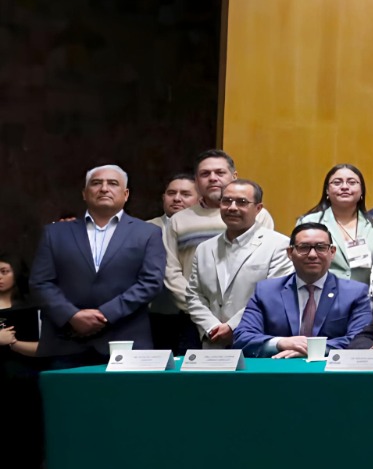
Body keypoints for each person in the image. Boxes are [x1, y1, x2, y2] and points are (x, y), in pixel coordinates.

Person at [31, 165, 166, 364]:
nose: (104, 188)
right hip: (65, 341)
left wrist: (105, 314)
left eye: (113, 183)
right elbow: (40, 282)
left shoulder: (147, 233)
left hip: (125, 339)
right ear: (85, 193)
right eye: (96, 183)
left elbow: (151, 282)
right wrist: (72, 315)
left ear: (126, 194)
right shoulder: (55, 233)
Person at [162, 150, 275, 330]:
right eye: (205, 174)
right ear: (197, 181)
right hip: (194, 318)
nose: (213, 178)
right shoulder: (178, 220)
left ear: (234, 176)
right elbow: (171, 272)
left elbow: (266, 265)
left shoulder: (258, 215)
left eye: (220, 173)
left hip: (249, 317)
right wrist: (204, 315)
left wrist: (235, 320)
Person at [233, 222, 373, 358]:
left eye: (321, 247)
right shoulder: (266, 291)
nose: (312, 254)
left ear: (332, 252)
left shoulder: (355, 293)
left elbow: (361, 340)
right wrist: (281, 342)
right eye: (304, 247)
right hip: (280, 371)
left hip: (331, 375)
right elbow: (242, 337)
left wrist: (312, 349)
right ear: (289, 252)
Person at [180, 179, 292, 347]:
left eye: (242, 202)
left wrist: (232, 327)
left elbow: (273, 296)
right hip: (213, 342)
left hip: (255, 341)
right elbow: (194, 295)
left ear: (258, 209)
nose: (232, 207)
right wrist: (212, 327)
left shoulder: (279, 245)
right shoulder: (205, 248)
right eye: (226, 201)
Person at [0, 252, 46, 469]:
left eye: (5, 271)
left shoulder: (31, 306)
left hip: (24, 381)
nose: (0, 277)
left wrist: (12, 343)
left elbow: (43, 348)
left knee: (27, 439)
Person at [300, 163, 373, 286]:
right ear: (327, 190)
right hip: (321, 296)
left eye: (352, 182)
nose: (345, 187)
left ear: (361, 190)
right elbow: (300, 263)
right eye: (337, 183)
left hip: (365, 298)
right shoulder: (309, 223)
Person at [146, 172, 198, 350]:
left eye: (185, 194)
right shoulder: (145, 228)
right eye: (171, 193)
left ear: (199, 198)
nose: (177, 199)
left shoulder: (206, 228)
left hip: (197, 314)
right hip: (157, 314)